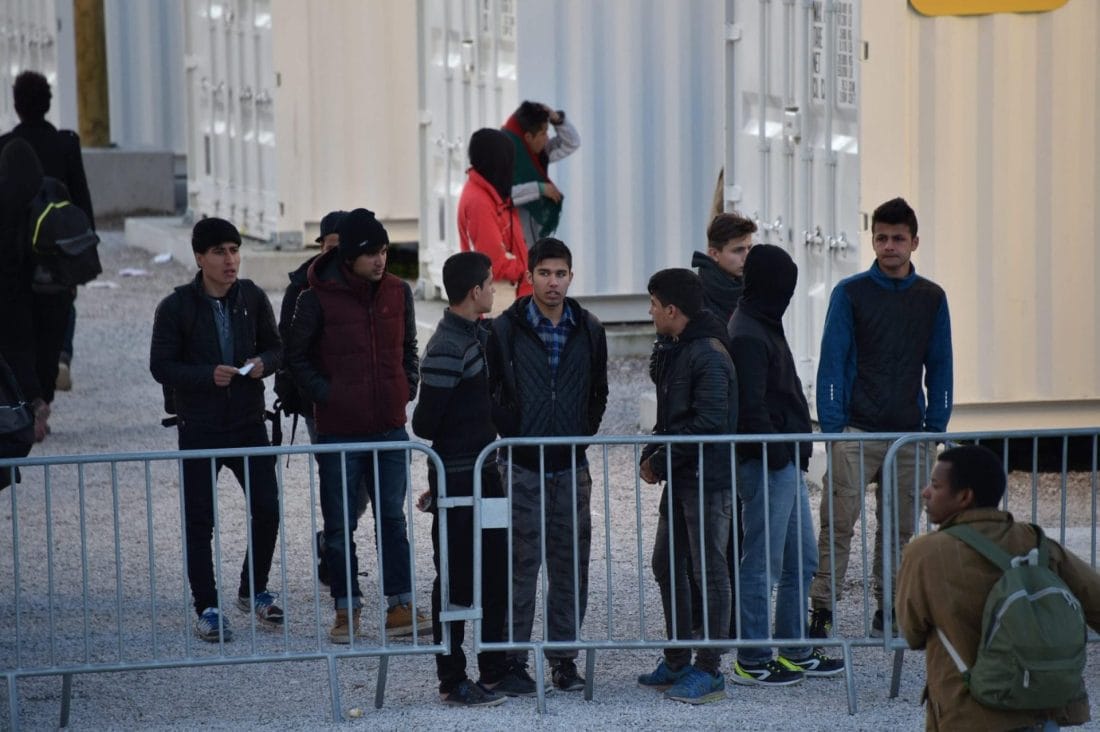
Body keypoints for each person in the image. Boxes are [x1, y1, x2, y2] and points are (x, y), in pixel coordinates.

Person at [809, 197, 953, 639]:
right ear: (872, 240)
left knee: (901, 528)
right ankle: (822, 609)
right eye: (882, 238)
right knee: (838, 521)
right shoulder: (850, 293)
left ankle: (890, 607)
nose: (889, 246)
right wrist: (833, 429)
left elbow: (941, 364)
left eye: (898, 239)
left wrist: (934, 428)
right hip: (855, 428)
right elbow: (832, 361)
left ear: (914, 242)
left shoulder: (931, 297)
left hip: (909, 433)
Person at [285, 207, 430, 642]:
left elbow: (408, 346)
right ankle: (346, 610)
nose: (380, 260)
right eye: (371, 253)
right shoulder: (314, 297)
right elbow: (296, 358)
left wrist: (407, 386)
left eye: (384, 251)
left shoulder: (397, 292)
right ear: (349, 256)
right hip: (338, 430)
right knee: (339, 523)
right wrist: (329, 396)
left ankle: (400, 606)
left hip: (388, 426)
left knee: (392, 519)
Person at [897, 445, 1100, 730]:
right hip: (1041, 710)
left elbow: (913, 633)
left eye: (935, 485)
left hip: (967, 713)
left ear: (964, 496)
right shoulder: (1036, 543)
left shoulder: (925, 553)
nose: (925, 493)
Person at [149, 217, 284, 642]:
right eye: (221, 251)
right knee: (199, 521)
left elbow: (278, 347)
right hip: (200, 427)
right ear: (200, 258)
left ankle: (254, 588)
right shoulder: (176, 307)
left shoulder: (253, 297)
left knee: (268, 507)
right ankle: (206, 605)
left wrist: (265, 363)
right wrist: (207, 375)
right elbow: (161, 365)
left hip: (248, 423)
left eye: (235, 250)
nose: (231, 260)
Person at [485, 237, 608, 694]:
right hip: (520, 465)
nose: (552, 282)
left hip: (570, 466)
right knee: (519, 564)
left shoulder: (589, 327)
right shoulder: (506, 328)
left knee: (569, 565)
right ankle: (513, 659)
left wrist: (581, 432)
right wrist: (511, 427)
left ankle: (563, 659)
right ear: (529, 276)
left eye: (560, 274)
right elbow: (492, 388)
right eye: (544, 273)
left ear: (571, 277)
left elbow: (599, 389)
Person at [726, 245, 844, 687]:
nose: (789, 295)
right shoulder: (750, 333)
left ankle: (794, 648)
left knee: (801, 558)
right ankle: (752, 657)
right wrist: (780, 453)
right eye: (785, 287)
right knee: (763, 561)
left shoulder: (760, 321)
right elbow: (752, 408)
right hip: (768, 464)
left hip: (785, 461)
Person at [412, 251, 509, 708]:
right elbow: (425, 422)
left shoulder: (473, 335)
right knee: (453, 577)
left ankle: (492, 670)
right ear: (475, 291)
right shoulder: (449, 345)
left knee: (492, 568)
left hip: (483, 473)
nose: (495, 290)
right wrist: (443, 473)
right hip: (459, 480)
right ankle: (452, 677)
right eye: (491, 283)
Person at [636, 268, 736, 705]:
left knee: (709, 570)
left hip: (707, 480)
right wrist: (656, 452)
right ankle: (678, 658)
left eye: (654, 305)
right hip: (682, 476)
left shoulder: (708, 353)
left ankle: (709, 667)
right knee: (666, 563)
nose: (651, 312)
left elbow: (709, 424)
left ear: (672, 310)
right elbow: (673, 417)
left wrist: (661, 458)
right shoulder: (678, 347)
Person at [275, 209, 363, 586]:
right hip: (321, 406)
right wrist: (319, 393)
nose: (336, 257)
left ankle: (330, 542)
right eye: (331, 247)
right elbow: (290, 350)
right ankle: (340, 560)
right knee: (338, 483)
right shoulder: (302, 287)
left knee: (358, 491)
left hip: (364, 402)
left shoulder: (368, 284)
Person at [0, 70, 95, 401]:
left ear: (16, 105)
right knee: (58, 318)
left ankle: (28, 402)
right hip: (58, 254)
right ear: (48, 103)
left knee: (20, 331)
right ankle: (58, 364)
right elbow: (82, 202)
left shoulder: (6, 146)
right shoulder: (65, 144)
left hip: (15, 256)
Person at [0, 137, 46, 441]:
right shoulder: (37, 199)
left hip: (9, 298)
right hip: (30, 298)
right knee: (26, 356)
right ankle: (34, 405)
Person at [457, 128, 531, 313]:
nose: (512, 168)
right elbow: (493, 264)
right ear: (496, 163)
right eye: (509, 162)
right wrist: (530, 268)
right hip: (499, 302)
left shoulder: (491, 195)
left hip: (509, 296)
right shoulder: (479, 202)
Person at [501, 101, 580, 252]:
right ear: (528, 137)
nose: (547, 138)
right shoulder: (503, 158)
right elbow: (503, 197)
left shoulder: (539, 155)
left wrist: (558, 120)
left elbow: (572, 143)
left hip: (533, 244)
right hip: (513, 248)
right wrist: (539, 189)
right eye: (543, 133)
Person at [692, 212, 756, 324]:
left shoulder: (753, 288)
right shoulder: (695, 298)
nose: (747, 257)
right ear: (714, 254)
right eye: (738, 250)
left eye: (749, 248)